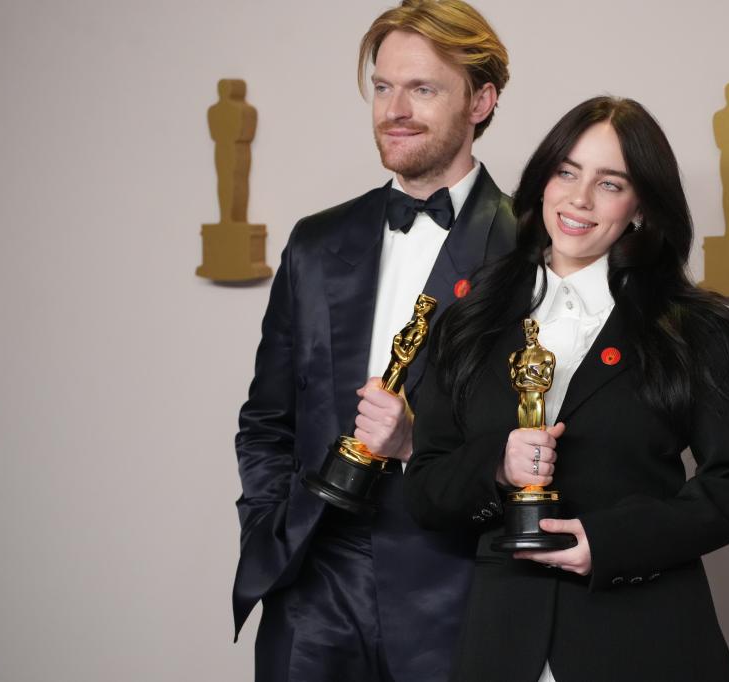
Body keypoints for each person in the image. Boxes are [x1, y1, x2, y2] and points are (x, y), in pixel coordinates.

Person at [405, 96, 729, 682]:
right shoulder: (469, 316)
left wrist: (610, 542)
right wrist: (496, 467)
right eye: (567, 172)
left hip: (646, 640)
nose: (579, 199)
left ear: (641, 208)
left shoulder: (694, 329)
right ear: (543, 181)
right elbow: (424, 489)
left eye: (610, 183)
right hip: (502, 645)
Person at [231, 2, 512, 680]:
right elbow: (266, 421)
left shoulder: (528, 251)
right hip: (311, 581)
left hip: (457, 585)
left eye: (423, 88)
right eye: (383, 87)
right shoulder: (317, 242)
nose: (396, 109)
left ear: (481, 100)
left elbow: (551, 443)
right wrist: (274, 528)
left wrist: (421, 451)